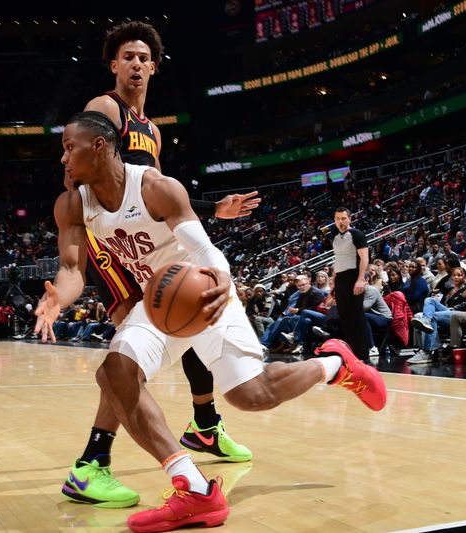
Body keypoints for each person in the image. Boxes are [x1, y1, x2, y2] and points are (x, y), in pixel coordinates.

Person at [37, 111, 386, 532]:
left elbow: (203, 249)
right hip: (157, 300)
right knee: (115, 371)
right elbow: (73, 269)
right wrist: (57, 298)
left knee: (251, 395)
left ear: (99, 146)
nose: (63, 158)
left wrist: (221, 280)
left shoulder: (154, 187)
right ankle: (194, 489)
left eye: (69, 147)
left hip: (199, 289)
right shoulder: (72, 204)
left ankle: (335, 365)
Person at [58, 21, 263, 509]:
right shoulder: (105, 109)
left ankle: (204, 427)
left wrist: (211, 211)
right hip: (113, 253)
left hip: (144, 243)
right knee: (133, 357)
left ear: (153, 66)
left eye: (142, 57)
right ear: (114, 65)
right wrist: (76, 264)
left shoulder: (151, 130)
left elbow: (154, 195)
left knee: (184, 322)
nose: (134, 63)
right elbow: (85, 183)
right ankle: (96, 463)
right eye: (126, 56)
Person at [329, 207, 370, 361]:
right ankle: (350, 353)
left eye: (343, 218)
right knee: (344, 316)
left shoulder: (357, 234)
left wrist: (361, 279)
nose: (341, 221)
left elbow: (365, 258)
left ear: (349, 219)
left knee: (356, 316)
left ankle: (362, 354)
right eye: (338, 218)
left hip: (354, 276)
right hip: (340, 278)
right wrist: (334, 279)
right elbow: (338, 258)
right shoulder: (334, 235)